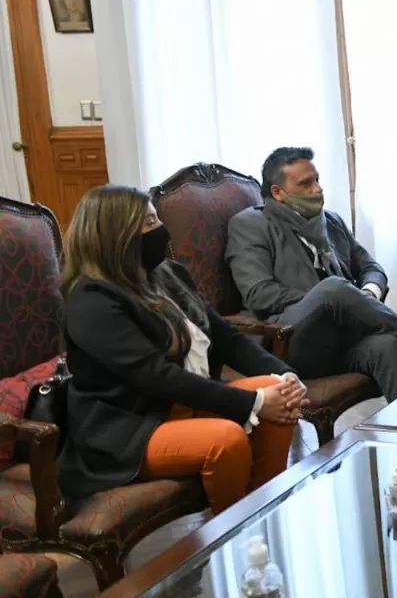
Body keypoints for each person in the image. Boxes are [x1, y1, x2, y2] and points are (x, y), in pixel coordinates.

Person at [60, 186, 308, 515]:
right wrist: (254, 402)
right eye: (149, 223)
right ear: (116, 235)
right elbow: (155, 375)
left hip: (176, 405)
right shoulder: (91, 301)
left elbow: (226, 339)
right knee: (226, 439)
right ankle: (230, 537)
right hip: (126, 429)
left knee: (278, 392)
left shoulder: (168, 275)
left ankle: (263, 515)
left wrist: (286, 375)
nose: (161, 230)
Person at [226, 147, 397, 403]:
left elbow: (371, 269)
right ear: (278, 192)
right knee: (333, 288)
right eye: (306, 184)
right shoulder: (250, 225)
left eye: (317, 180)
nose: (317, 189)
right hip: (289, 344)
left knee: (387, 347)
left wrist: (366, 294)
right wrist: (330, 300)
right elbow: (258, 293)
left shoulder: (330, 221)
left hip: (344, 339)